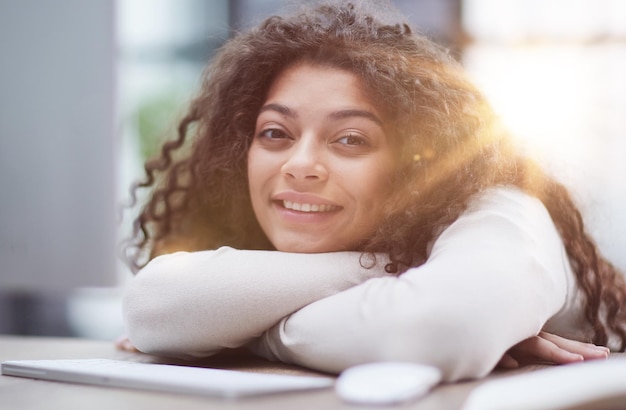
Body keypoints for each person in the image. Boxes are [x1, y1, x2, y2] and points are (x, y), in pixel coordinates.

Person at [119, 1, 625, 382]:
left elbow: (438, 328)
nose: (300, 165)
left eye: (350, 140)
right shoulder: (336, 237)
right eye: (276, 133)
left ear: (415, 165)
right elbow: (157, 304)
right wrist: (394, 272)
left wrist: (248, 330)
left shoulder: (505, 210)